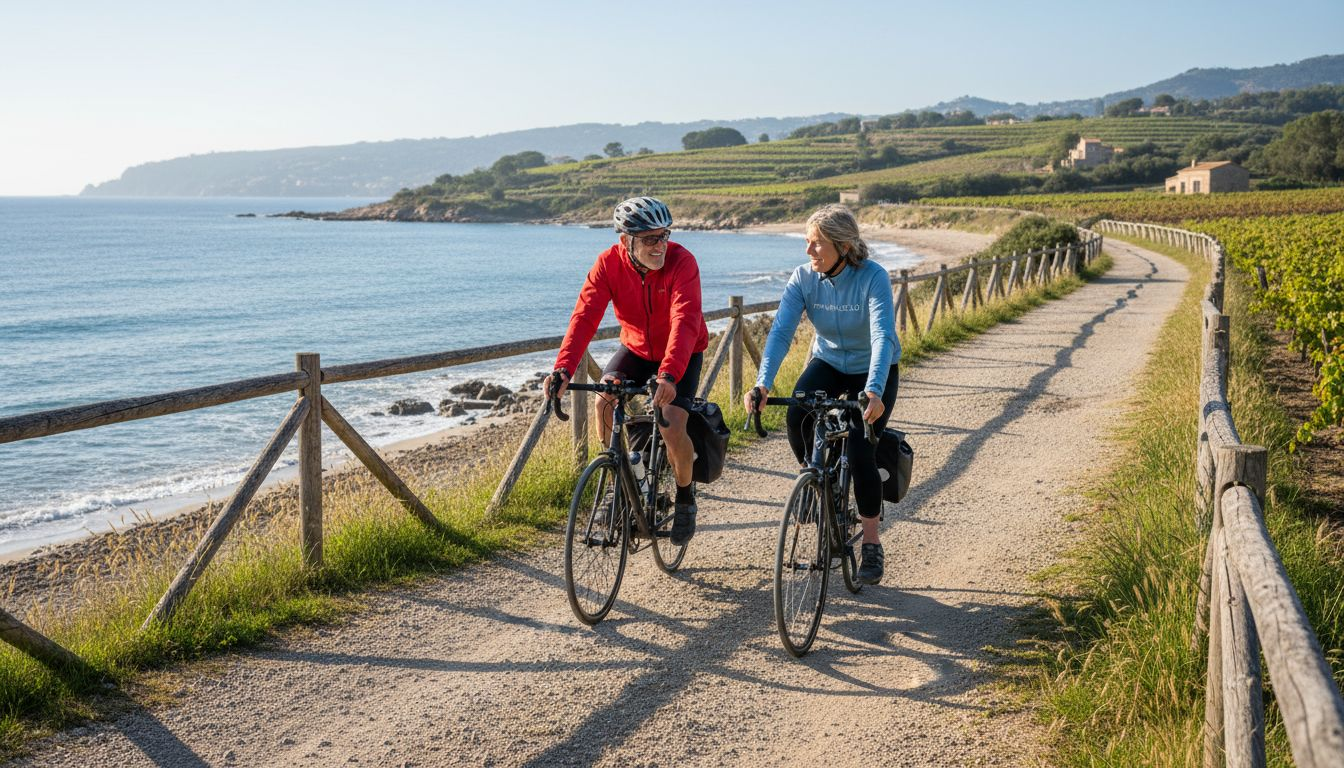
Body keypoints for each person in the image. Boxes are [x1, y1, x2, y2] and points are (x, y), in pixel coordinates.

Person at [743, 204, 899, 584]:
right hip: (828, 360)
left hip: (874, 368)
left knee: (862, 449)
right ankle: (816, 479)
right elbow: (780, 332)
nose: (808, 252)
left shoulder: (873, 277)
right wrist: (763, 383)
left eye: (816, 244)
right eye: (807, 243)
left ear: (843, 246)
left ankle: (872, 544)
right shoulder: (803, 278)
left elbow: (881, 335)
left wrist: (874, 391)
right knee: (798, 413)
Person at [546, 197, 709, 545]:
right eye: (650, 239)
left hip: (682, 352)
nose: (660, 245)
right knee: (604, 401)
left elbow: (685, 320)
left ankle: (684, 497)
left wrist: (668, 374)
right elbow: (584, 317)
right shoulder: (607, 264)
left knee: (672, 422)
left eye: (664, 235)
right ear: (626, 241)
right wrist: (562, 368)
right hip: (635, 348)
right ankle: (616, 478)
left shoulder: (682, 262)